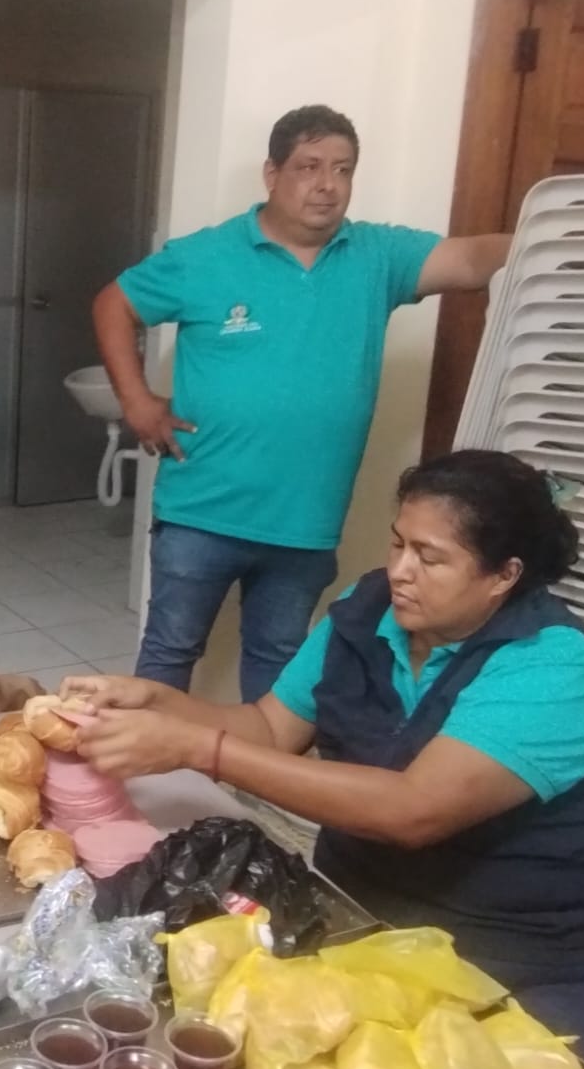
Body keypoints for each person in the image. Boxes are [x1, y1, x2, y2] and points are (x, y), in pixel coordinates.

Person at [64, 450, 584, 1069]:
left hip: (513, 961)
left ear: (504, 575)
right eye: (398, 544)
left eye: (430, 558)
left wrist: (197, 748)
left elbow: (412, 810)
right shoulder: (369, 611)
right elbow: (272, 728)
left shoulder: (553, 666)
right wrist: (159, 702)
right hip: (354, 922)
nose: (400, 571)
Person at [92, 104, 514, 699]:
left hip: (305, 523)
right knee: (169, 652)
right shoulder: (206, 256)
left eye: (342, 169)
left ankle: (255, 767)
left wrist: (557, 236)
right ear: (272, 173)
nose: (327, 185)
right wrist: (136, 400)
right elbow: (114, 303)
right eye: (309, 166)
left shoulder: (377, 256)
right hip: (201, 511)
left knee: (279, 669)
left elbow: (470, 260)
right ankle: (145, 762)